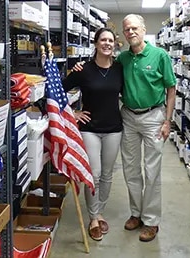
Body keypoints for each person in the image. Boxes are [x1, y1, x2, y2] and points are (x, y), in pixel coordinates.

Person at [73, 14, 176, 242]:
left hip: (153, 117)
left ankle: (150, 221)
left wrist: (168, 120)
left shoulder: (160, 56)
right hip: (128, 117)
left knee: (151, 171)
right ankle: (136, 214)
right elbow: (99, 73)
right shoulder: (123, 61)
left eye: (134, 28)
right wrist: (80, 68)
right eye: (127, 29)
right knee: (131, 171)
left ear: (143, 28)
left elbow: (171, 89)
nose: (131, 32)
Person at [62, 28, 124, 241]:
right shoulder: (83, 69)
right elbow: (58, 92)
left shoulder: (119, 69)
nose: (107, 43)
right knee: (94, 174)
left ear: (114, 44)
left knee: (107, 175)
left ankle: (99, 211)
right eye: (103, 40)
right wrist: (74, 113)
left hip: (114, 128)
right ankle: (93, 218)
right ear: (96, 43)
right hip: (90, 129)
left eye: (110, 40)